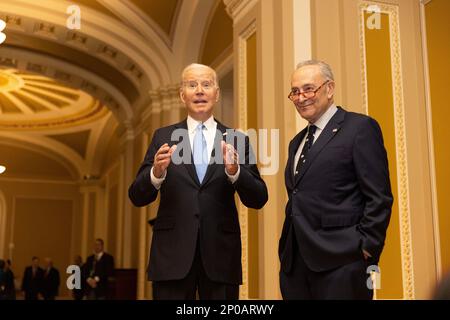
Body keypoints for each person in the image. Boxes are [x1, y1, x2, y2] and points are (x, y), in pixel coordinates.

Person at [128, 63, 268, 300]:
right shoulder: (163, 137)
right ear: (183, 95)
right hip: (171, 256)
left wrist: (235, 172)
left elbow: (258, 197)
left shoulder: (237, 139)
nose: (200, 91)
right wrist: (157, 172)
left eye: (206, 84)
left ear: (217, 94)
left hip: (221, 256)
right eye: (192, 85)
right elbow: (137, 196)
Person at [279, 60, 393, 300]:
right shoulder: (296, 142)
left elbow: (379, 196)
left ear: (329, 89)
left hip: (343, 264)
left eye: (309, 89)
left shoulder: (360, 127)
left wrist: (366, 249)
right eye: (295, 92)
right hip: (296, 267)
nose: (301, 97)